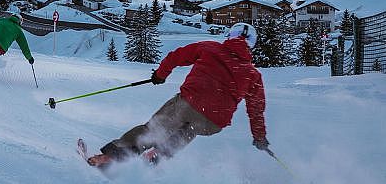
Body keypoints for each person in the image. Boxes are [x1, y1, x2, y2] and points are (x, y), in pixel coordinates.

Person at [87, 23, 269, 167]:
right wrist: (259, 138)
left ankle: (111, 158)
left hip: (189, 103)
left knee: (154, 130)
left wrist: (160, 75)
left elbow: (176, 57)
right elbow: (256, 111)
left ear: (230, 36)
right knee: (190, 130)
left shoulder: (210, 48)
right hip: (214, 122)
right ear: (251, 45)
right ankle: (155, 157)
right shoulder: (253, 74)